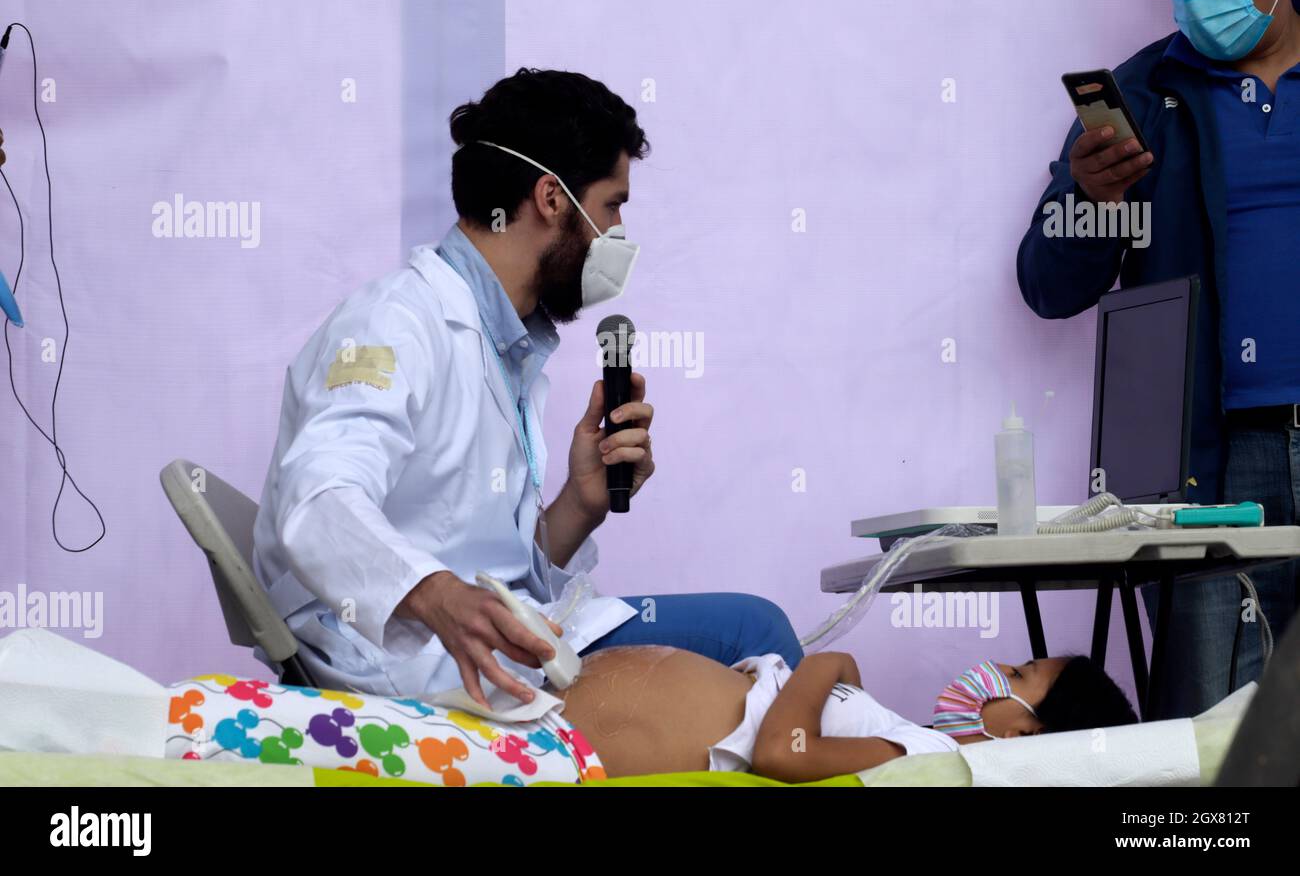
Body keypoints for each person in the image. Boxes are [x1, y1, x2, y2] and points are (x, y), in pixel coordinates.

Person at [251, 68, 803, 708]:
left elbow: (490, 564)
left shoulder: (500, 341)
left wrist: (581, 502)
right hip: (404, 660)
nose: (619, 233)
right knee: (751, 632)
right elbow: (316, 500)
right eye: (613, 205)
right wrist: (436, 595)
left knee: (751, 635)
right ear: (551, 198)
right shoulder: (394, 323)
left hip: (500, 637)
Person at [1017, 0, 1300, 718]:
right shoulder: (1140, 98)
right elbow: (1046, 285)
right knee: (1210, 735)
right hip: (1204, 470)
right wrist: (1089, 201)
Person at [544, 647, 1138, 780]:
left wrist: (825, 667)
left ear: (1020, 736)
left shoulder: (936, 763)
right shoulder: (922, 747)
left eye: (1015, 676)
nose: (993, 670)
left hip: (575, 738)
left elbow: (785, 753)